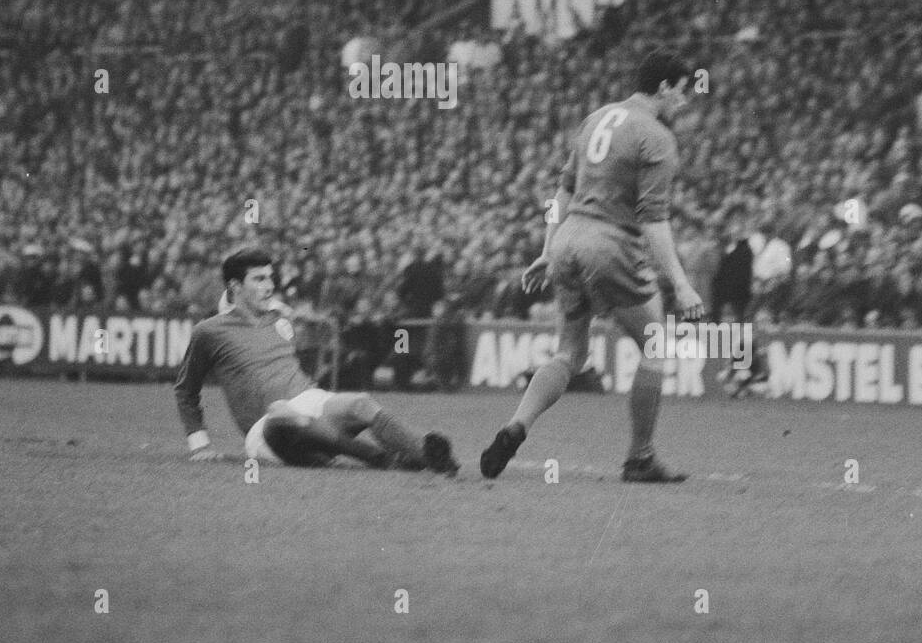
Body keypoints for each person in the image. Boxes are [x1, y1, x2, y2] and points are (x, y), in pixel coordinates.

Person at [479, 49, 703, 482]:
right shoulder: (656, 137)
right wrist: (681, 284)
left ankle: (516, 425)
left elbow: (561, 192)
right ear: (664, 87)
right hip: (610, 245)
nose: (685, 100)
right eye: (683, 90)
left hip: (567, 241)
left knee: (570, 352)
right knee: (654, 347)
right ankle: (640, 457)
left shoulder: (596, 118)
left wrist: (547, 248)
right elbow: (653, 221)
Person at [174, 247, 459, 474]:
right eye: (259, 279)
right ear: (235, 286)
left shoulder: (279, 317)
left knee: (360, 402)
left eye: (271, 278)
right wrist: (200, 445)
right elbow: (186, 390)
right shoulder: (209, 331)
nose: (269, 286)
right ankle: (384, 459)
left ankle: (429, 456)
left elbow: (302, 338)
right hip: (268, 428)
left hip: (311, 404)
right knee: (282, 412)